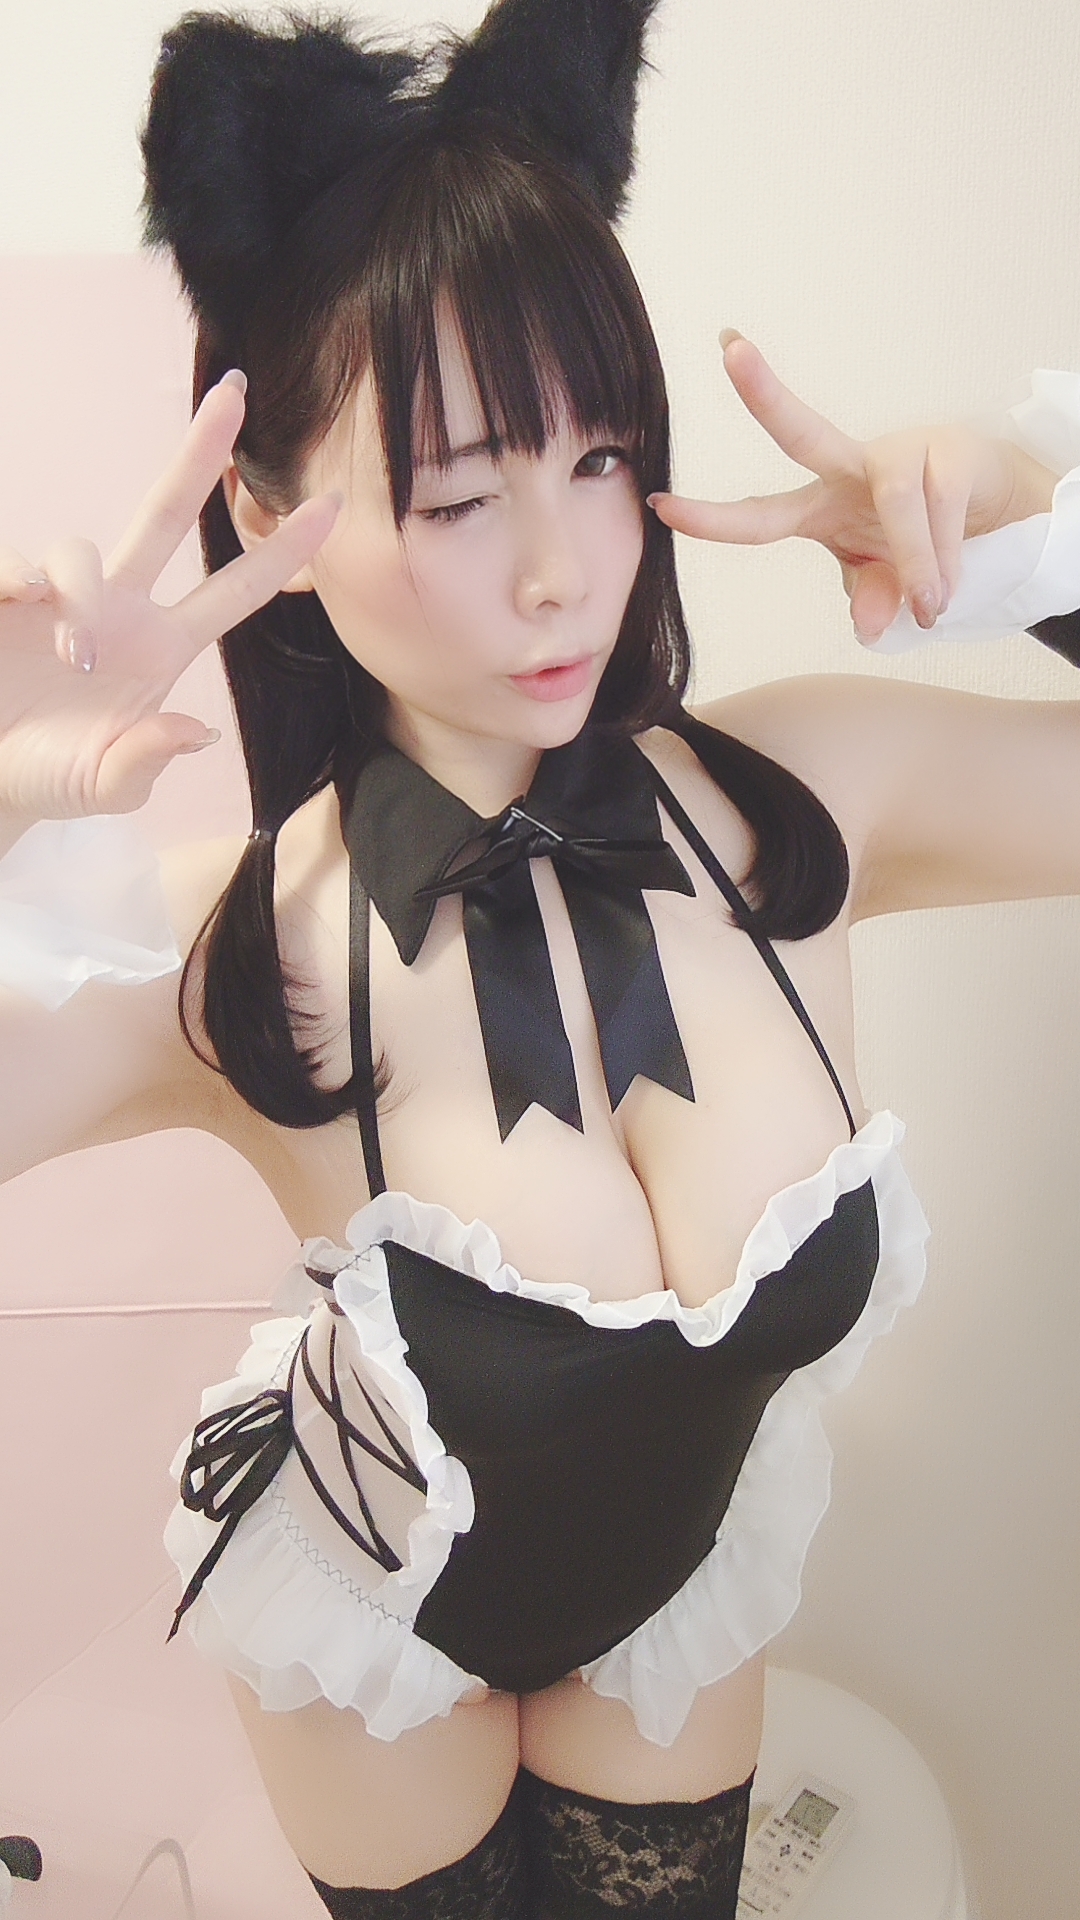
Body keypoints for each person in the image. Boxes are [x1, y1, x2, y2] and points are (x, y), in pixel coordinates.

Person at [1, 4, 1078, 1916]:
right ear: (267, 514)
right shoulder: (238, 943)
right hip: (369, 1620)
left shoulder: (804, 800)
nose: (565, 568)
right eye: (458, 494)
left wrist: (1031, 536)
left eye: (599, 458)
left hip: (674, 1595)